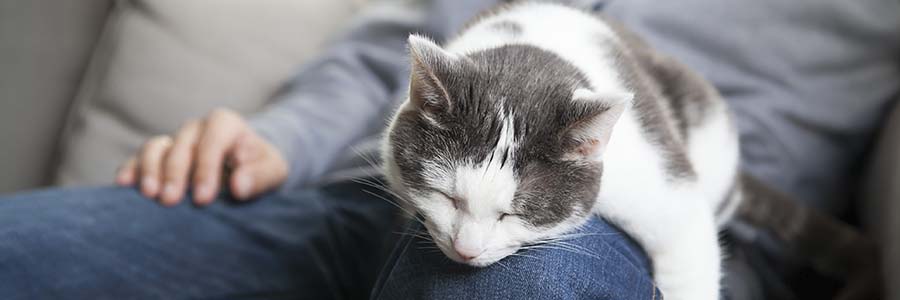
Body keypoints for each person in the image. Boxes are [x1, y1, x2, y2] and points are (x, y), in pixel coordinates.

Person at [1, 0, 897, 299]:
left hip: (605, 215)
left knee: (515, 279)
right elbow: (383, 50)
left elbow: (682, 227)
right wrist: (276, 136)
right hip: (374, 186)